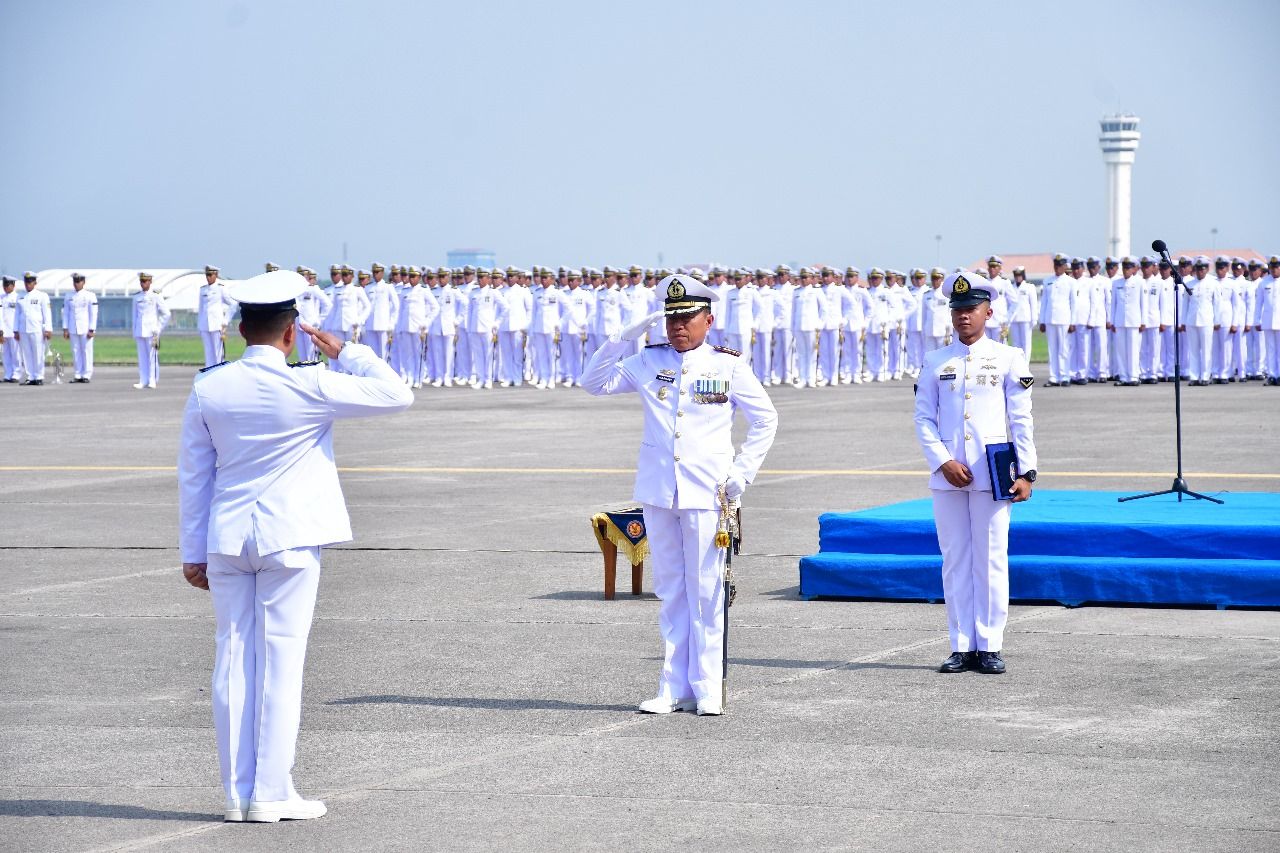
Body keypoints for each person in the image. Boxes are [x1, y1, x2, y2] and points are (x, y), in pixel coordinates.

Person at [178, 269, 413, 823]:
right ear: (291, 334)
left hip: (227, 539)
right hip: (290, 538)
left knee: (233, 659)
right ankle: (272, 791)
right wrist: (349, 351)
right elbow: (397, 395)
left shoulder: (210, 386)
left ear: (240, 329)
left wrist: (193, 549)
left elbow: (196, 474)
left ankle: (237, 794)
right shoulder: (309, 383)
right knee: (281, 662)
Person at [581, 274, 778, 716]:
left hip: (708, 492)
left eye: (687, 318)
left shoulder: (727, 365)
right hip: (657, 491)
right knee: (670, 590)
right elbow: (592, 383)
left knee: (706, 590)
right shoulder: (647, 361)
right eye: (671, 319)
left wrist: (740, 474)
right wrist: (620, 339)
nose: (677, 327)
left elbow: (766, 419)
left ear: (708, 320)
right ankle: (673, 687)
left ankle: (707, 687)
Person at [914, 271, 1037, 675]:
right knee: (955, 560)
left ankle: (990, 644)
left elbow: (1020, 419)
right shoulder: (935, 361)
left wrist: (1027, 472)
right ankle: (961, 644)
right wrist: (942, 461)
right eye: (958, 309)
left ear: (988, 311)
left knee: (991, 559)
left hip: (993, 473)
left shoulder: (1008, 358)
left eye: (971, 309)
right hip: (948, 476)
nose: (963, 316)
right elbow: (923, 419)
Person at [132, 272, 171, 389]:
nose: (143, 284)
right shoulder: (136, 297)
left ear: (150, 281)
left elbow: (166, 313)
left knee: (152, 357)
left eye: (145, 281)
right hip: (140, 330)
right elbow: (134, 315)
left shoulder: (156, 295)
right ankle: (143, 380)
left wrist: (158, 328)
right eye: (141, 281)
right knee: (142, 357)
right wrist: (134, 331)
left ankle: (152, 380)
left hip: (152, 331)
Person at [14, 272, 53, 385]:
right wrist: (15, 330)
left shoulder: (42, 296)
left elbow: (47, 314)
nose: (28, 284)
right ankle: (30, 376)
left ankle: (39, 376)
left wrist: (48, 329)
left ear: (35, 283)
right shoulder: (20, 296)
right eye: (26, 282)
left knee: (38, 353)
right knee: (26, 354)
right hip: (23, 329)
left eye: (30, 282)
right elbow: (17, 314)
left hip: (36, 329)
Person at [62, 272, 99, 382]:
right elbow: (66, 313)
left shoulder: (90, 295)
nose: (76, 284)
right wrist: (65, 328)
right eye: (75, 281)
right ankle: (78, 374)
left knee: (86, 351)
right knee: (75, 351)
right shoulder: (68, 296)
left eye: (78, 281)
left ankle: (86, 374)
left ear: (83, 282)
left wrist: (92, 329)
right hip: (73, 327)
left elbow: (93, 313)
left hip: (86, 328)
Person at [197, 265, 234, 367]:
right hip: (205, 325)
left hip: (217, 325)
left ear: (216, 275)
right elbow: (201, 308)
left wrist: (225, 321)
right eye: (207, 275)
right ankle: (209, 375)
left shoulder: (221, 288)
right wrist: (199, 325)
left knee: (218, 354)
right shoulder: (203, 289)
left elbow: (233, 304)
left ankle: (218, 376)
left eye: (210, 275)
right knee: (208, 353)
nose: (208, 277)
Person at [0, 276, 23, 382]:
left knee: (16, 353)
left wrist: (18, 330)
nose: (5, 287)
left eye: (7, 285)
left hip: (14, 330)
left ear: (13, 286)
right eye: (4, 285)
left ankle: (17, 373)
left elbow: (20, 315)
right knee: (5, 354)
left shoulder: (18, 298)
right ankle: (8, 373)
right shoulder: (1, 297)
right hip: (3, 331)